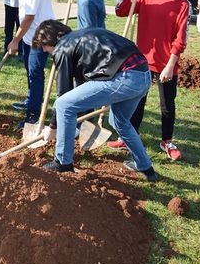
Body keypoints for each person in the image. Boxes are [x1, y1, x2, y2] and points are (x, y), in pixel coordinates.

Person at [34, 21, 158, 182]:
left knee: (64, 104)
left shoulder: (62, 48)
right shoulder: (82, 37)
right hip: (143, 75)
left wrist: (52, 127)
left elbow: (63, 94)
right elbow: (80, 84)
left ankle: (62, 163)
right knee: (119, 122)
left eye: (43, 45)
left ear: (50, 40)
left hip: (125, 78)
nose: (44, 50)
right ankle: (146, 168)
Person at [108, 0, 189, 161]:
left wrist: (170, 65)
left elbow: (180, 40)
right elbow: (121, 11)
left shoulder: (182, 5)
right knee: (137, 101)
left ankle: (167, 141)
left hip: (167, 64)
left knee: (167, 105)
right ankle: (128, 137)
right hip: (142, 62)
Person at [8, 0, 55, 129]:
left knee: (35, 74)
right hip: (30, 34)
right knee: (29, 70)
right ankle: (31, 100)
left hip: (42, 36)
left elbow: (28, 18)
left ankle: (34, 115)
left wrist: (14, 40)